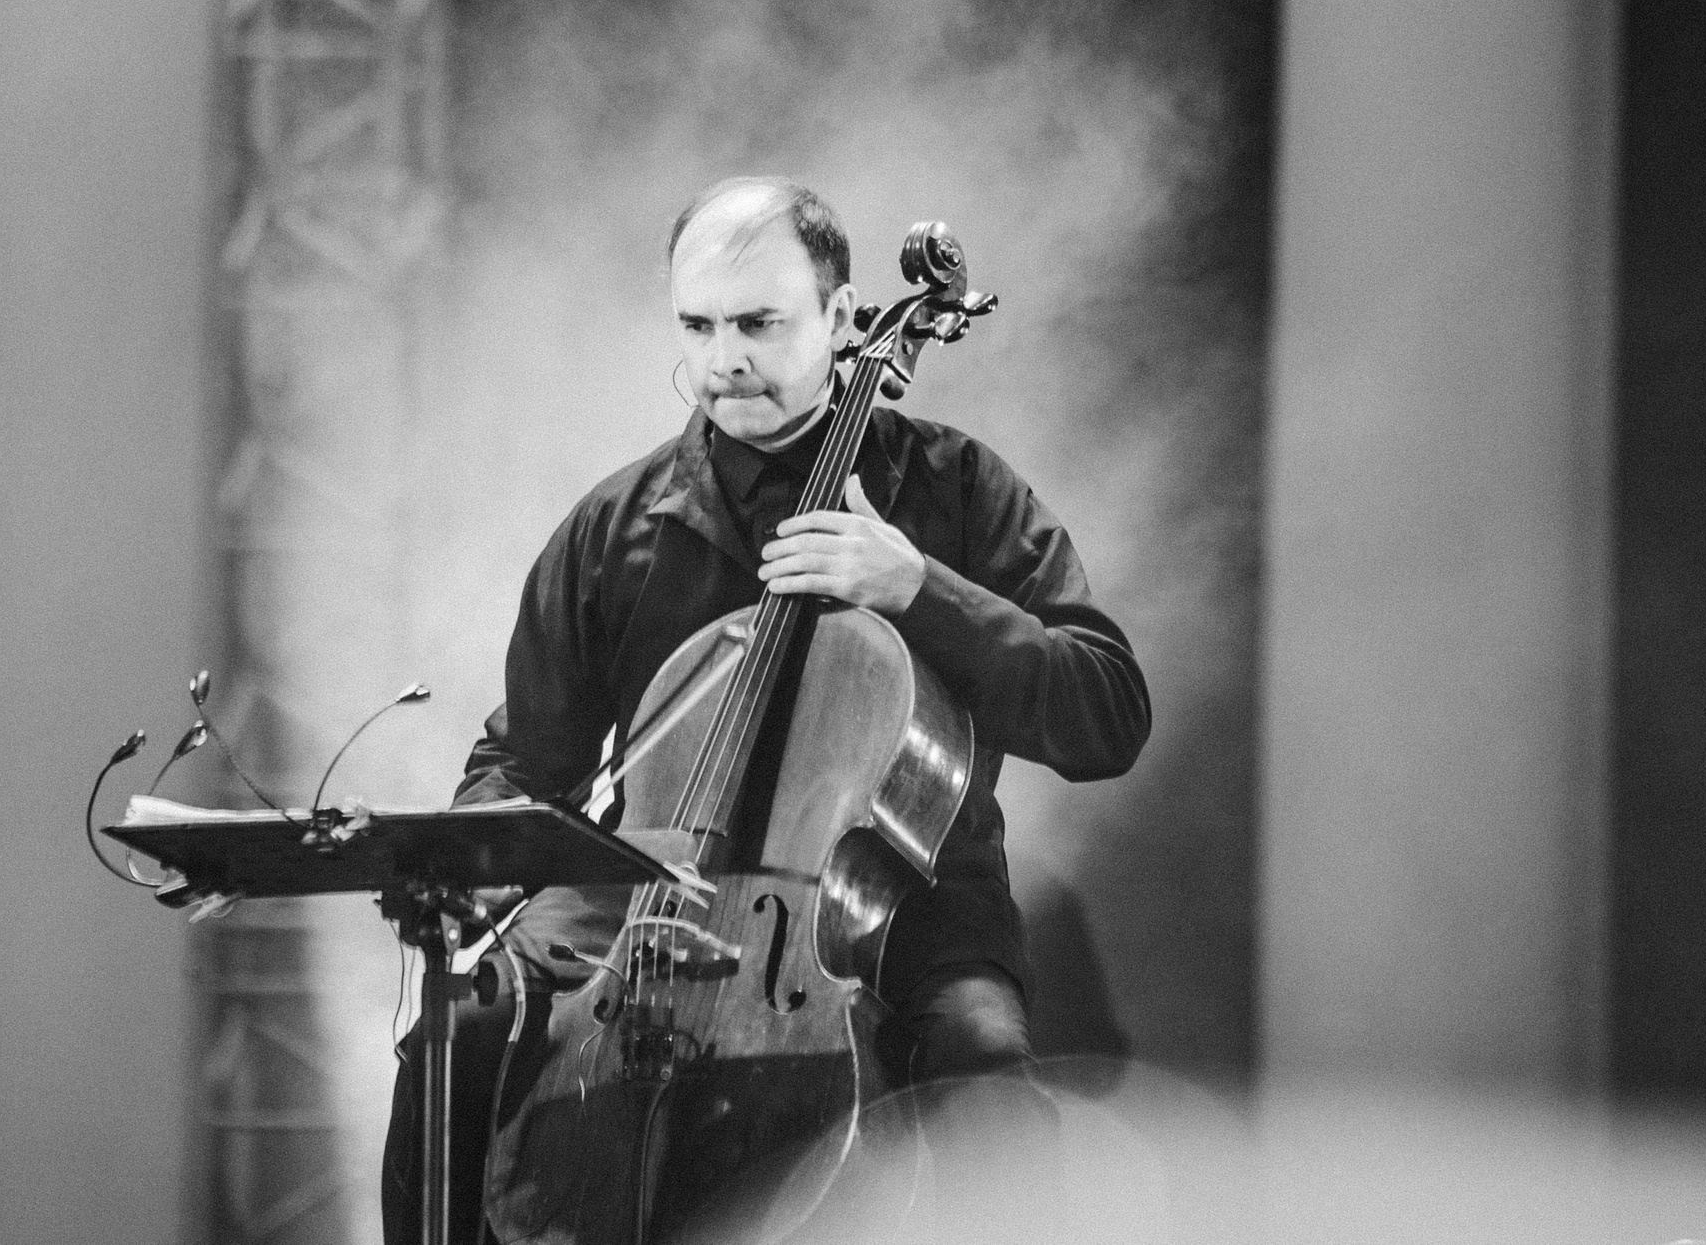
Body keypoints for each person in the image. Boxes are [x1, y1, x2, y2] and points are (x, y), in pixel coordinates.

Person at [383, 176, 1149, 1243]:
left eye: (757, 323)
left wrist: (918, 587)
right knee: (455, 1025)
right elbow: (526, 757)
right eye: (696, 325)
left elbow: (1107, 711)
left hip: (906, 903)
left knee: (984, 1066)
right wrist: (476, 870)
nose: (721, 358)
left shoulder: (955, 492)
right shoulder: (616, 526)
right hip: (645, 896)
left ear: (840, 323)